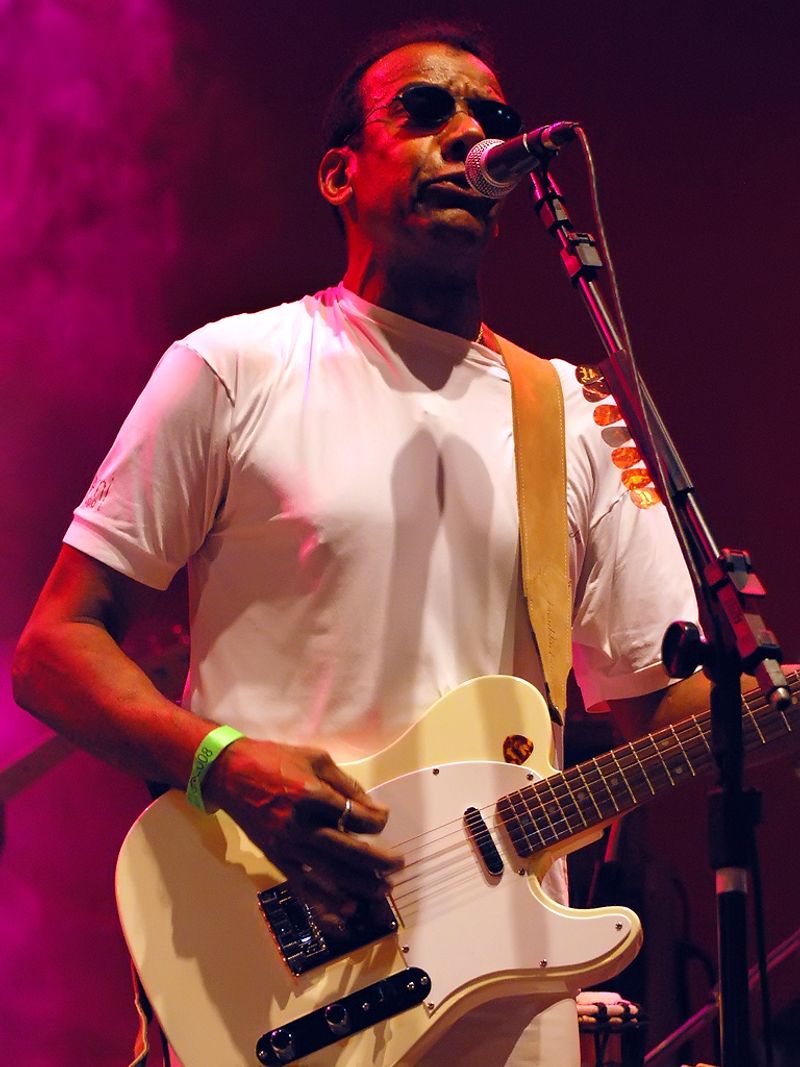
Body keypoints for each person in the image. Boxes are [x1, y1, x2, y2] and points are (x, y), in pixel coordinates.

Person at [13, 19, 712, 1066]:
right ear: (339, 174)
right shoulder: (234, 368)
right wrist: (224, 763)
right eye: (424, 112)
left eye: (492, 119)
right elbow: (54, 648)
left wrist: (767, 694)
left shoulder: (568, 410)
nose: (467, 134)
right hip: (279, 964)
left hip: (507, 999)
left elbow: (655, 697)